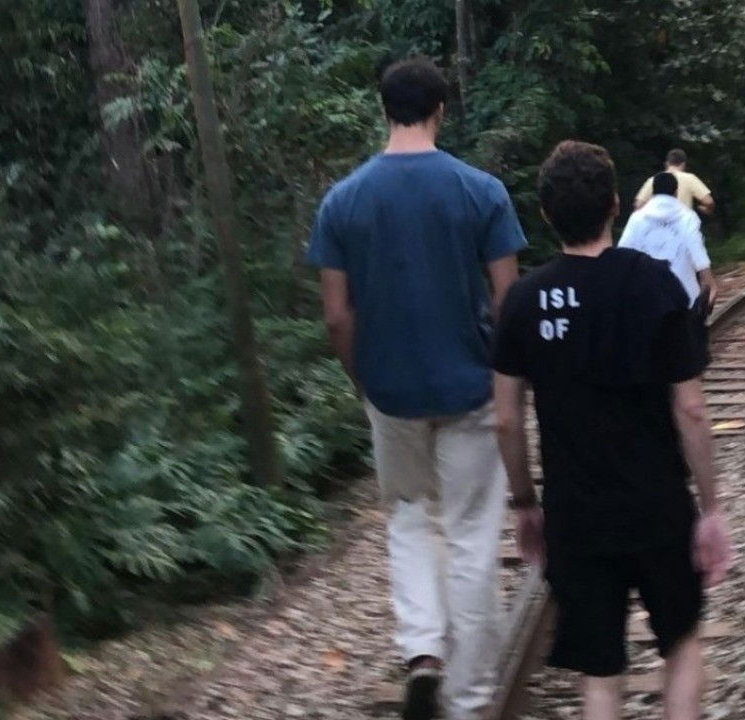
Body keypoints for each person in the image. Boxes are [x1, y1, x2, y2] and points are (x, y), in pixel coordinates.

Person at [307, 57, 526, 720]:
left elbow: (336, 315)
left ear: (384, 110)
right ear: (440, 111)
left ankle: (423, 651)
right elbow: (508, 300)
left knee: (406, 517)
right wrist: (506, 378)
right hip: (471, 385)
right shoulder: (481, 191)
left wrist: (364, 380)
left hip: (390, 390)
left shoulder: (342, 201)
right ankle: (471, 697)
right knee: (470, 536)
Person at [491, 141, 732, 720]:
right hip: (658, 508)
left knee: (601, 673)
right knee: (681, 646)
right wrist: (710, 507)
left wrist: (525, 505)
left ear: (546, 214)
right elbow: (692, 411)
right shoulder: (656, 284)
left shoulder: (523, 302)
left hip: (576, 516)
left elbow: (505, 419)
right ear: (615, 205)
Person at [618, 171, 717, 353]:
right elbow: (697, 252)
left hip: (646, 299)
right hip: (684, 299)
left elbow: (622, 255)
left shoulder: (637, 219)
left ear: (653, 192)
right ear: (676, 192)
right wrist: (709, 282)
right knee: (684, 353)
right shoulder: (688, 217)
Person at [634, 148, 715, 216]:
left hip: (659, 225)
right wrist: (707, 210)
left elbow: (638, 205)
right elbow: (709, 201)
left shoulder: (654, 179)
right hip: (683, 224)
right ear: (683, 164)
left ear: (667, 163)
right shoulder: (690, 178)